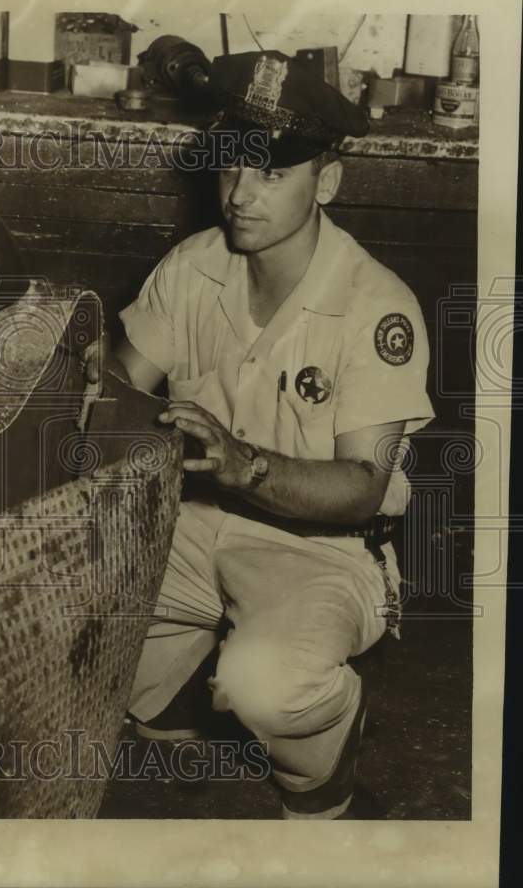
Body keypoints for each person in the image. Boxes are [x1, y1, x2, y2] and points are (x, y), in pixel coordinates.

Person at [87, 50, 434, 819]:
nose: (240, 194)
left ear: (327, 182)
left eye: (272, 174)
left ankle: (323, 770)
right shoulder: (193, 266)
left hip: (319, 547)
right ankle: (172, 700)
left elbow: (362, 488)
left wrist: (244, 464)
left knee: (267, 687)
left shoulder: (377, 307)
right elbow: (112, 397)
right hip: (188, 521)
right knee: (62, 612)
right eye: (231, 166)